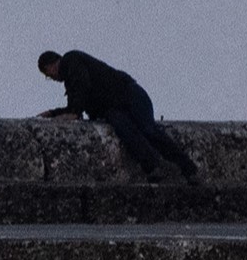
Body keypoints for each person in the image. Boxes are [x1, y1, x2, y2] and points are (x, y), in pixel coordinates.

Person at [38, 48, 197, 184]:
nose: (51, 78)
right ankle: (154, 167)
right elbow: (76, 101)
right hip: (113, 108)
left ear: (51, 66)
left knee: (149, 130)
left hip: (130, 94)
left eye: (48, 74)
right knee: (127, 132)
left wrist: (74, 112)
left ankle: (188, 168)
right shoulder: (72, 77)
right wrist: (54, 113)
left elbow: (81, 88)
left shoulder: (70, 60)